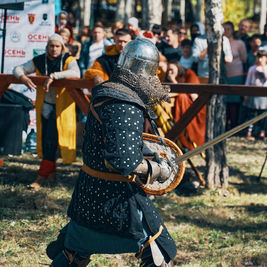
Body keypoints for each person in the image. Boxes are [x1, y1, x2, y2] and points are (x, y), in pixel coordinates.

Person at [46, 37, 176, 267]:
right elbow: (123, 160)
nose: (154, 79)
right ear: (144, 71)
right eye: (152, 73)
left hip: (89, 190)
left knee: (75, 250)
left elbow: (113, 139)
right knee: (157, 250)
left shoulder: (108, 91)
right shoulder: (125, 102)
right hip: (116, 199)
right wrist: (159, 170)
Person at [13, 34, 80, 189]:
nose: (54, 49)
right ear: (47, 47)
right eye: (51, 46)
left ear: (62, 47)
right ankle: (50, 175)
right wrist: (23, 77)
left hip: (62, 109)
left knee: (53, 141)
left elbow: (76, 74)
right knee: (48, 141)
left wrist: (54, 76)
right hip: (47, 106)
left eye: (57, 46)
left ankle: (42, 177)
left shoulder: (68, 60)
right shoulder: (40, 60)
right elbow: (17, 68)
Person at [166, 60, 206, 150]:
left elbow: (194, 96)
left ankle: (186, 142)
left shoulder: (189, 74)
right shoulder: (168, 78)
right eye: (168, 70)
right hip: (177, 107)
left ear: (178, 67)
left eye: (172, 69)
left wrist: (173, 80)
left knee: (182, 97)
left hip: (194, 107)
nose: (170, 73)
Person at [243, 49, 267, 140]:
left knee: (263, 114)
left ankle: (262, 131)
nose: (260, 60)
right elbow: (248, 80)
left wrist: (263, 68)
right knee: (251, 114)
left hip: (263, 92)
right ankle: (249, 130)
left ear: (266, 58)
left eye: (262, 58)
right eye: (259, 57)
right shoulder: (252, 68)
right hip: (253, 91)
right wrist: (245, 92)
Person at [223, 21, 247, 130]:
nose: (226, 31)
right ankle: (225, 125)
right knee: (225, 101)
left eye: (228, 29)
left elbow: (244, 59)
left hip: (236, 74)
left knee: (234, 102)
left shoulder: (239, 43)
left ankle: (234, 126)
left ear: (232, 30)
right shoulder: (220, 42)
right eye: (224, 29)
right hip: (224, 75)